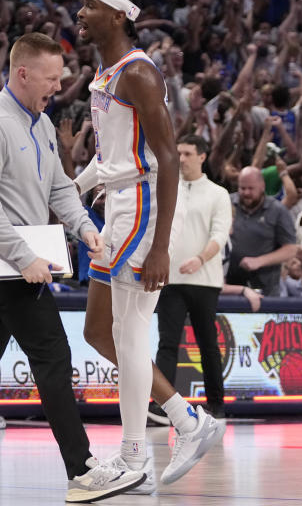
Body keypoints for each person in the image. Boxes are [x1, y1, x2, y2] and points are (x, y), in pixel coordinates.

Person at [75, 0, 225, 489]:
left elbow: (165, 156)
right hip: (116, 200)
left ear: (118, 15)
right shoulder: (105, 71)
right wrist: (69, 192)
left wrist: (160, 245)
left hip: (142, 204)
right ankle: (188, 419)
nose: (81, 12)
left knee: (132, 334)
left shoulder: (138, 72)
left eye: (91, 6)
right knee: (100, 332)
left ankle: (135, 458)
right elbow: (109, 156)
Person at [0, 32, 146, 502]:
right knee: (54, 359)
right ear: (22, 73)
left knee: (49, 360)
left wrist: (86, 227)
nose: (57, 87)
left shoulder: (40, 123)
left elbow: (61, 188)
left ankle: (82, 470)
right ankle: (82, 471)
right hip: (15, 267)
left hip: (22, 267)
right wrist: (24, 257)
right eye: (50, 78)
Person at [154, 135, 232, 420]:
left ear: (202, 156)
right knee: (167, 343)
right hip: (170, 279)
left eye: (187, 153)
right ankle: (161, 405)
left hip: (205, 280)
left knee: (207, 344)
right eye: (179, 154)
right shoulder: (166, 187)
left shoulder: (217, 193)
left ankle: (216, 403)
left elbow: (220, 235)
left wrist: (200, 258)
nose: (182, 159)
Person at [225, 166, 299, 297]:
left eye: (251, 188)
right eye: (242, 188)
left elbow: (291, 249)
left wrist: (259, 261)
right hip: (229, 286)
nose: (246, 192)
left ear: (262, 186)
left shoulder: (278, 210)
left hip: (265, 288)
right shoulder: (226, 204)